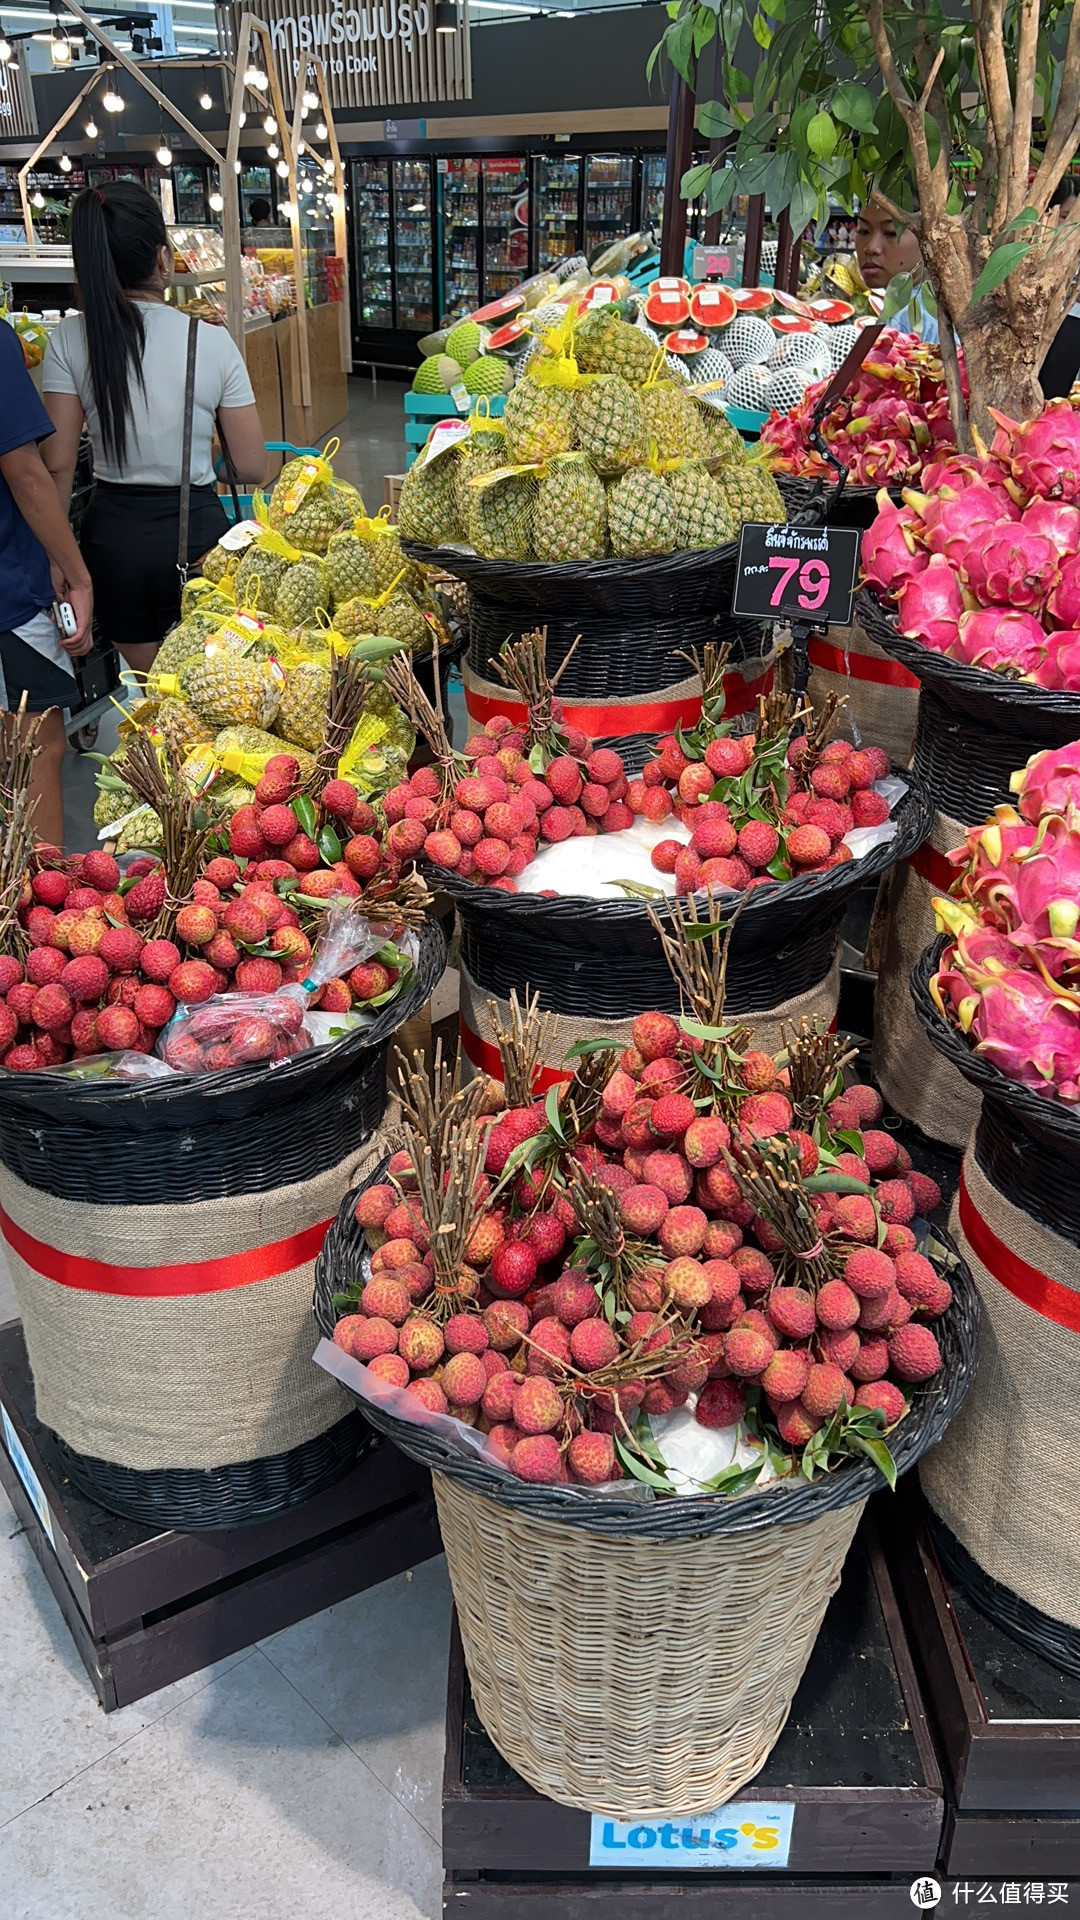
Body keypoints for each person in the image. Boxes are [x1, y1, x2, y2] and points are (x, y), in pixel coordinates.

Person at [40, 179, 267, 675]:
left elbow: (56, 466)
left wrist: (59, 561)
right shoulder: (209, 341)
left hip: (111, 541)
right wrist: (201, 459)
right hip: (198, 540)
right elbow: (253, 465)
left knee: (151, 687)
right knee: (209, 689)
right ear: (162, 258)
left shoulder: (69, 338)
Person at [0, 316, 94, 849]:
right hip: (7, 598)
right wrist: (76, 575)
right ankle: (36, 917)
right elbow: (26, 472)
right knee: (34, 745)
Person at [854, 194, 939, 343]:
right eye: (863, 231)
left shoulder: (906, 318)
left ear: (928, 238)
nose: (871, 248)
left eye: (891, 232)